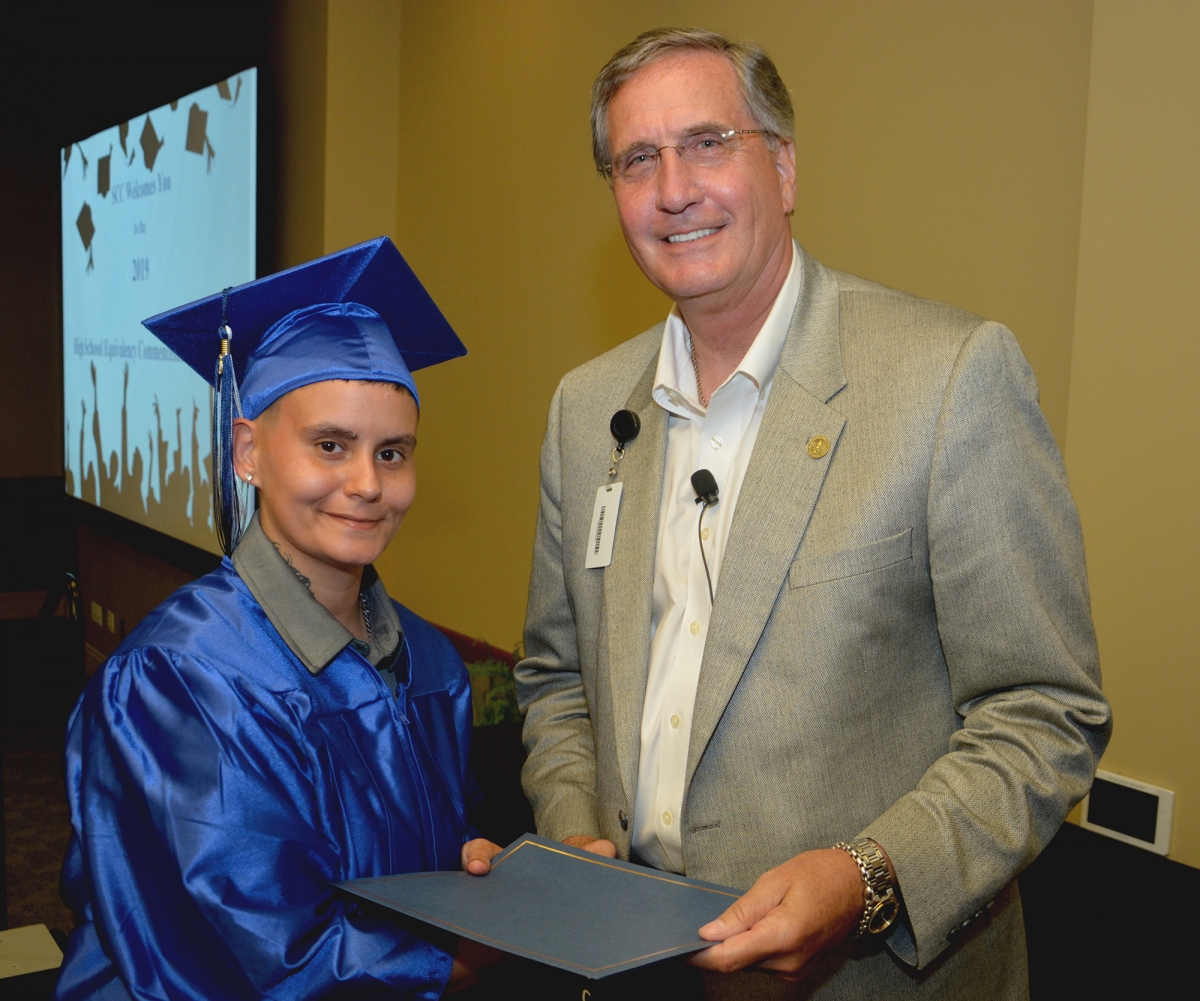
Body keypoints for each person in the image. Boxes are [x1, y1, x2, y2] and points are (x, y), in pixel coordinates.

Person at [516, 28, 1111, 999]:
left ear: (783, 166)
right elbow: (554, 680)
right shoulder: (586, 414)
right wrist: (574, 829)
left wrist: (869, 877)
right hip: (632, 967)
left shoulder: (949, 380)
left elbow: (1045, 713)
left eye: (709, 142)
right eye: (637, 159)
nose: (674, 188)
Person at [55, 238, 504, 1001]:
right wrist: (478, 952)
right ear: (248, 451)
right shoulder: (180, 681)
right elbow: (260, 958)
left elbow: (413, 867)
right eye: (331, 445)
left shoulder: (428, 662)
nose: (366, 483)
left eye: (393, 453)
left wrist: (476, 872)